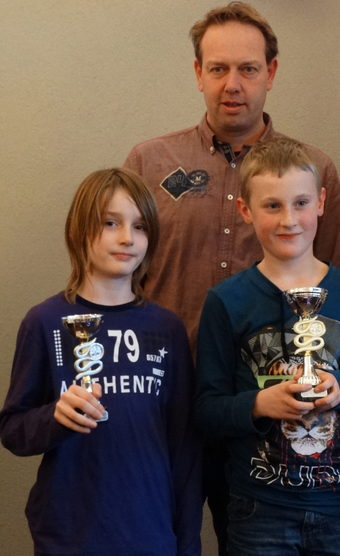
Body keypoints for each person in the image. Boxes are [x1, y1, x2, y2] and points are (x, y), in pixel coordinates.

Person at [123, 4, 340, 552]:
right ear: (198, 73)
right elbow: (118, 276)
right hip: (163, 398)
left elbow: (337, 295)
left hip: (267, 408)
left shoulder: (312, 171)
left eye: (248, 69)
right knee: (159, 538)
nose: (233, 84)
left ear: (270, 73)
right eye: (219, 68)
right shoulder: (149, 163)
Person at [195, 136, 340, 556]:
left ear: (321, 202)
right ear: (245, 210)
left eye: (301, 203)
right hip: (258, 509)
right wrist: (260, 404)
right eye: (272, 205)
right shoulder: (226, 300)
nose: (288, 220)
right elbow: (206, 411)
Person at [0, 168, 202, 556]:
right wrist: (55, 417)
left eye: (140, 226)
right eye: (111, 223)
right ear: (80, 229)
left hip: (150, 535)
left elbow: (185, 449)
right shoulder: (44, 321)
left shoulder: (166, 329)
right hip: (68, 537)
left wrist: (187, 543)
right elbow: (12, 430)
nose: (127, 238)